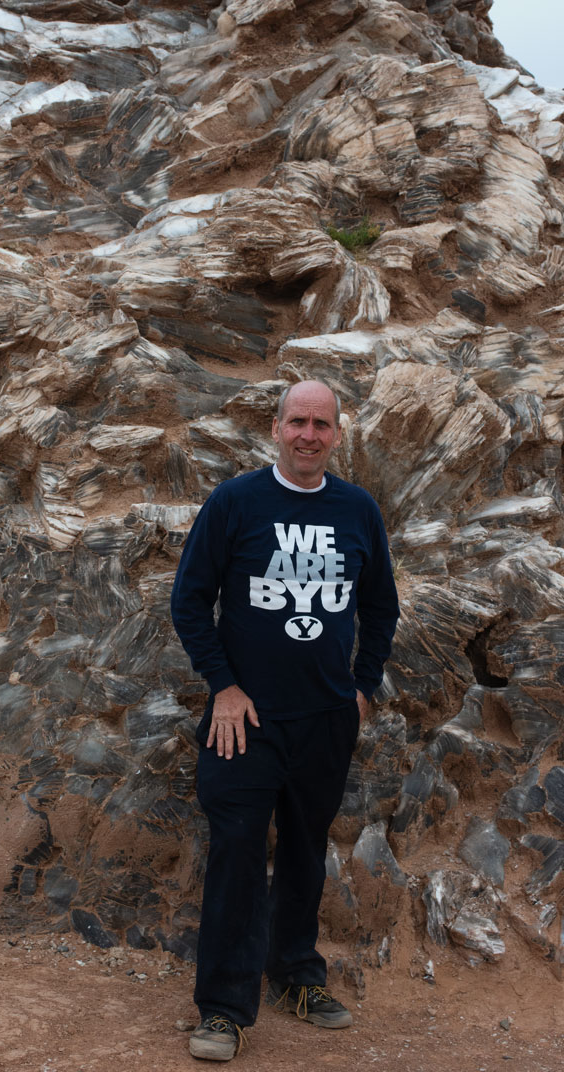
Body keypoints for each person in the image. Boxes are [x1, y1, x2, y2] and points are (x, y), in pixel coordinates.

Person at [170, 379, 400, 1062]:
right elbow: (190, 601)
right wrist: (225, 688)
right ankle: (221, 1010)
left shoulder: (358, 509)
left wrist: (361, 687)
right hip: (244, 721)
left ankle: (297, 976)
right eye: (296, 422)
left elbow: (380, 608)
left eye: (320, 424)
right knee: (238, 852)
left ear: (337, 433)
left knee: (306, 848)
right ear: (275, 428)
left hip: (327, 720)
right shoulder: (237, 501)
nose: (308, 435)